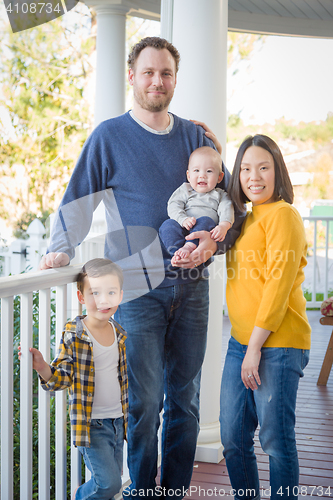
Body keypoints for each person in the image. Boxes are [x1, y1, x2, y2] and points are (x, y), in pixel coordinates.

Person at [38, 36, 245, 498]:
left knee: (186, 403)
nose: (157, 80)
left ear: (175, 79)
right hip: (135, 291)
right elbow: (77, 200)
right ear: (131, 76)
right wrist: (60, 250)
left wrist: (212, 247)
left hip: (192, 289)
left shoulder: (196, 137)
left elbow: (231, 207)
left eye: (166, 73)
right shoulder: (109, 136)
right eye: (148, 72)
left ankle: (172, 491)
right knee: (144, 403)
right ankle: (141, 491)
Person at [219, 135, 311, 500]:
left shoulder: (283, 214)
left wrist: (254, 348)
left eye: (263, 167)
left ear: (278, 171)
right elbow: (212, 175)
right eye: (245, 169)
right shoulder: (244, 217)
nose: (253, 176)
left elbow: (277, 284)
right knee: (232, 438)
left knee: (275, 440)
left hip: (277, 346)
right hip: (240, 342)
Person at [21, 258, 128, 500]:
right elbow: (62, 377)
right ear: (81, 297)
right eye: (95, 293)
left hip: (117, 422)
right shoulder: (75, 334)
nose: (103, 300)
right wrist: (42, 367)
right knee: (108, 485)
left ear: (120, 296)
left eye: (111, 292)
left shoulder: (119, 333)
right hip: (92, 427)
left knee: (112, 482)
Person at [159, 146, 234, 266]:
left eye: (209, 171)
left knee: (206, 220)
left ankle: (189, 246)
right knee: (167, 225)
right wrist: (182, 219)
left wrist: (223, 226)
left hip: (203, 230)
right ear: (189, 176)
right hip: (183, 225)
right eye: (196, 171)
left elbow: (227, 210)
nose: (202, 176)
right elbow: (174, 205)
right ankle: (177, 252)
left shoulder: (220, 195)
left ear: (219, 177)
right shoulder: (185, 189)